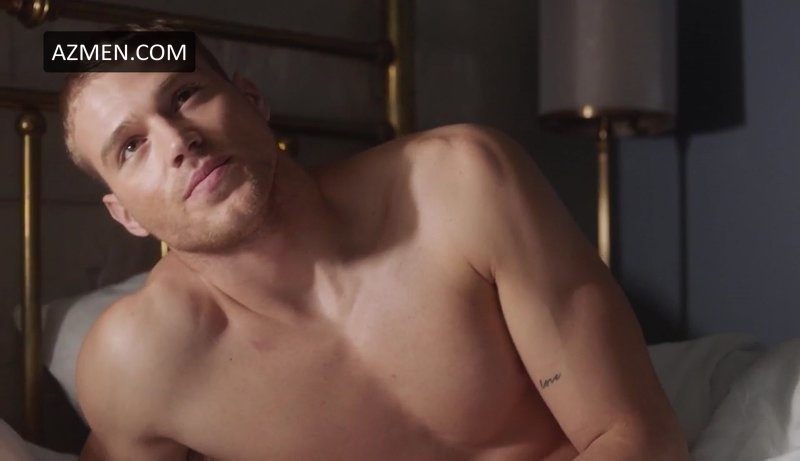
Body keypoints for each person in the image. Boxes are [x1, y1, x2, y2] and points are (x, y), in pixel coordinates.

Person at [62, 26, 689, 461]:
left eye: (184, 94)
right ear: (125, 216)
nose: (177, 140)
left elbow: (638, 440)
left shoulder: (462, 184)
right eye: (131, 146)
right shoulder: (136, 362)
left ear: (252, 99)